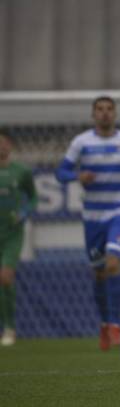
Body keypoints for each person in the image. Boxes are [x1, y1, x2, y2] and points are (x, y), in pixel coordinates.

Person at [56, 97, 120, 351]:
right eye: (100, 109)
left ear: (116, 113)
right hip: (93, 216)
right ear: (93, 114)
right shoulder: (82, 142)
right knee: (99, 273)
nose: (105, 114)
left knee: (113, 262)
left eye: (109, 109)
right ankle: (105, 324)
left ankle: (116, 326)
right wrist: (77, 176)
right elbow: (60, 172)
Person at [0, 130, 37, 347]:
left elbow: (32, 197)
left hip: (12, 233)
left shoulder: (21, 172)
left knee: (5, 277)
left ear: (11, 146)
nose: (1, 147)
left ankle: (10, 328)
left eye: (5, 143)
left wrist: (24, 212)